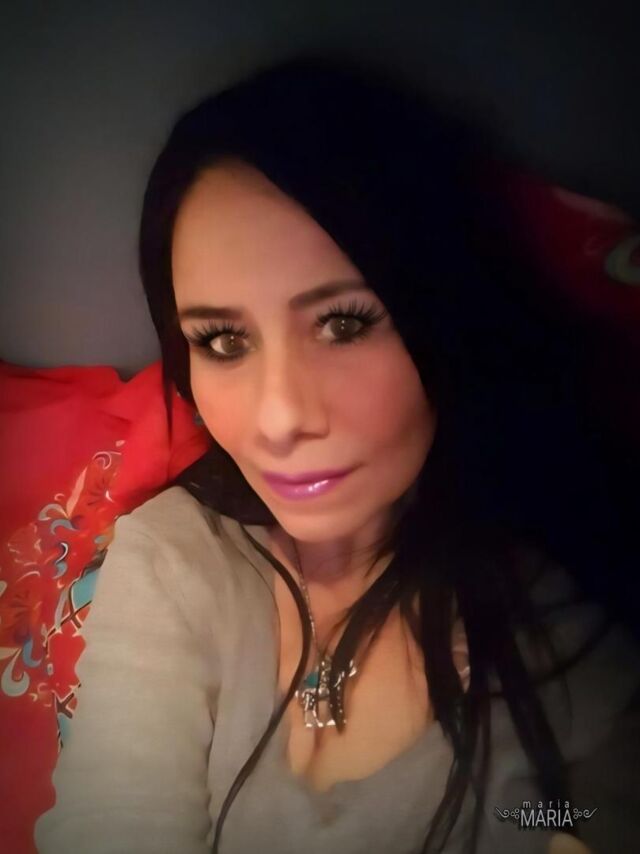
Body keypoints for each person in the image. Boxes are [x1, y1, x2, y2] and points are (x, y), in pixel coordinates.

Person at [35, 55, 639, 854]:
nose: (280, 418)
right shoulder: (177, 556)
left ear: (442, 314)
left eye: (344, 324)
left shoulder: (572, 640)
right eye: (223, 342)